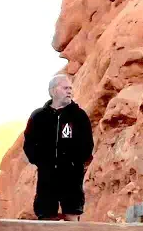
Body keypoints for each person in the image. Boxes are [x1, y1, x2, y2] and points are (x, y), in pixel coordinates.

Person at [22, 74, 93, 221]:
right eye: (65, 88)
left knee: (72, 214)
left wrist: (75, 162)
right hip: (47, 177)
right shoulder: (38, 116)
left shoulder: (79, 116)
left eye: (70, 88)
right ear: (53, 91)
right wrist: (41, 162)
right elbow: (29, 143)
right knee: (46, 215)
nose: (69, 91)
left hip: (72, 177)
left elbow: (87, 144)